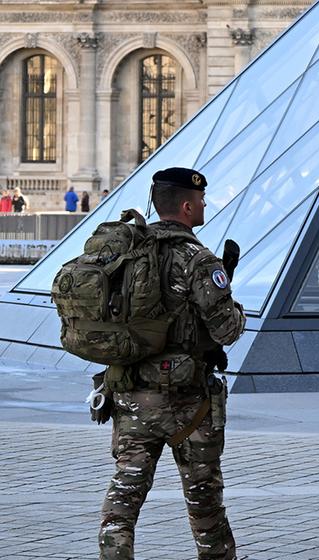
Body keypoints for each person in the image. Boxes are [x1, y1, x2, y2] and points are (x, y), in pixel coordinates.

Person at [97, 167, 246, 559]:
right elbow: (227, 329)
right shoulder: (198, 259)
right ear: (185, 205)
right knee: (204, 500)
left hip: (131, 394)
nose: (204, 204)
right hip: (188, 403)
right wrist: (237, 310)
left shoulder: (126, 253)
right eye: (199, 199)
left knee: (124, 497)